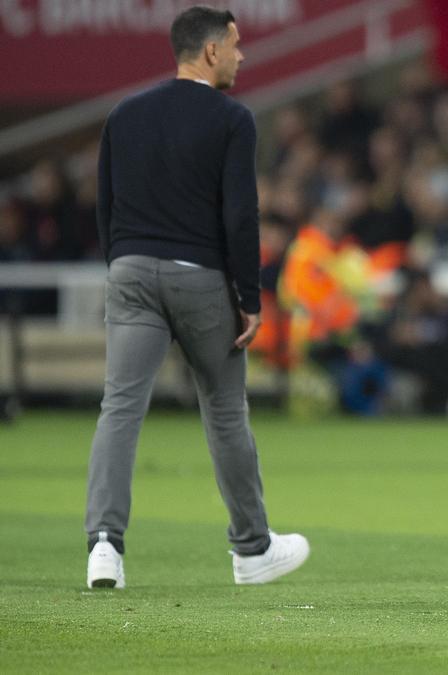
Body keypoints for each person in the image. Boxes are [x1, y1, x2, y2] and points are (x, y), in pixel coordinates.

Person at [85, 6, 309, 589]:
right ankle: (252, 549)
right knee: (226, 411)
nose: (242, 54)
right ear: (210, 52)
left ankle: (104, 544)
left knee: (120, 408)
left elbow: (104, 202)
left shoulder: (124, 114)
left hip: (130, 271)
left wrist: (123, 266)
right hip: (199, 276)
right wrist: (249, 295)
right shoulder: (233, 119)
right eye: (236, 45)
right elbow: (241, 213)